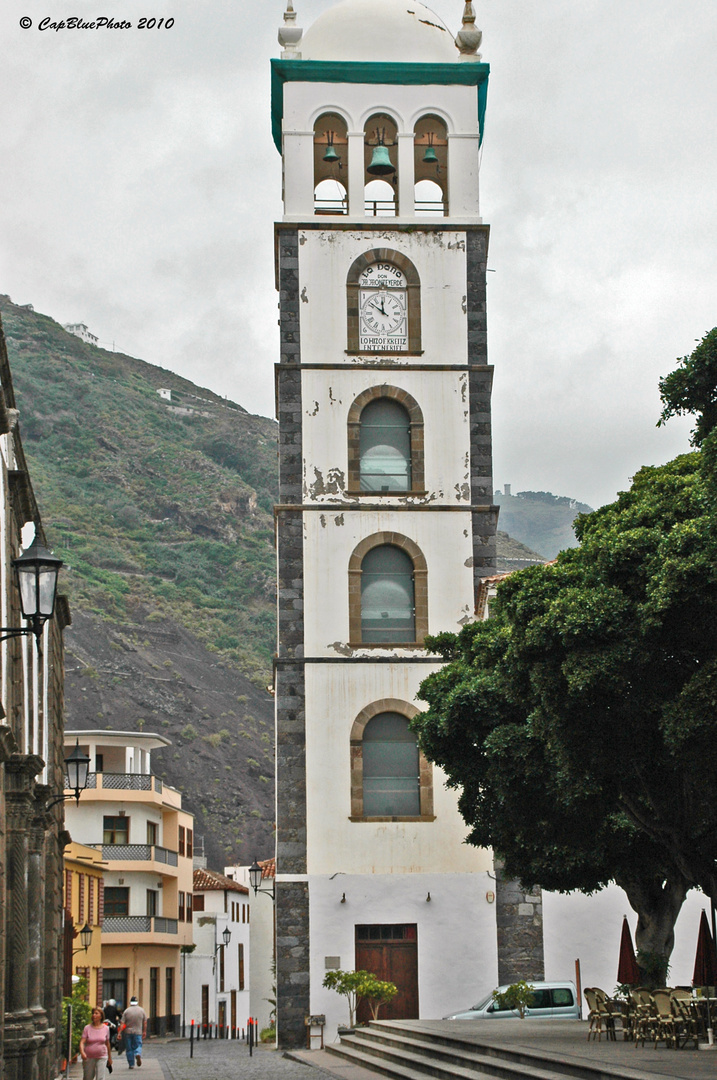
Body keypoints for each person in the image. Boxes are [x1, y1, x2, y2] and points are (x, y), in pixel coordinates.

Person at [80, 1007, 112, 1080]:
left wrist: (109, 1058)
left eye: (96, 1013)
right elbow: (82, 1042)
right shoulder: (87, 1028)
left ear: (101, 1016)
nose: (94, 1015)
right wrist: (82, 1052)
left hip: (102, 1056)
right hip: (89, 1057)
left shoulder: (106, 1028)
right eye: (93, 1013)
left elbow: (107, 1043)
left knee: (100, 1078)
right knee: (88, 1077)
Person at [121, 996, 147, 1070]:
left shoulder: (127, 1011)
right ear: (137, 1002)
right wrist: (144, 1031)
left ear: (130, 1002)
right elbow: (145, 1022)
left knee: (129, 1049)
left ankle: (131, 1064)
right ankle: (138, 1053)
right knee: (138, 1045)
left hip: (128, 1032)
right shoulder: (142, 1010)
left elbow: (122, 1023)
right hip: (138, 1031)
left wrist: (119, 1033)